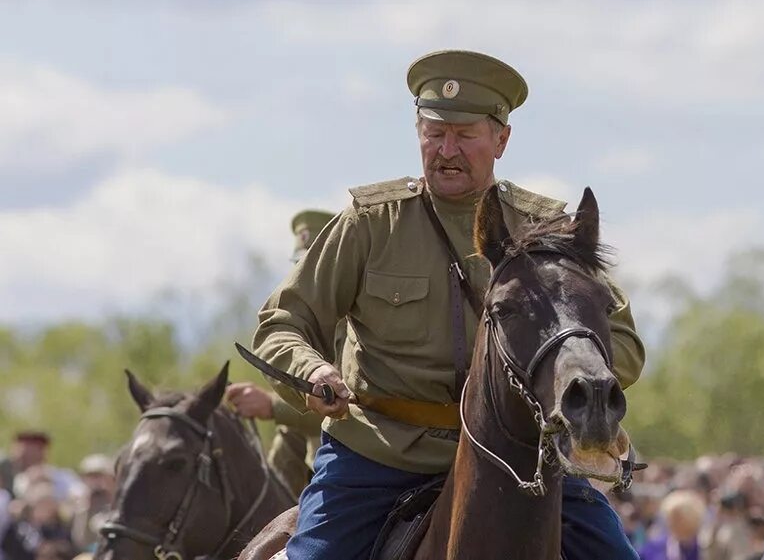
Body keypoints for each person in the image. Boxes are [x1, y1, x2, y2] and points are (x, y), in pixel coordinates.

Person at [252, 49, 646, 560]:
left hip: (521, 458)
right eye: (434, 133)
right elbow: (283, 321)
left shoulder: (544, 230)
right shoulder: (371, 223)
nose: (446, 150)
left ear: (501, 140)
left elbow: (623, 343)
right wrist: (312, 370)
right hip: (380, 454)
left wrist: (571, 371)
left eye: (464, 135)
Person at [227, 210, 340, 496]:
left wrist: (271, 406)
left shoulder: (359, 323)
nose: (304, 276)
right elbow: (292, 436)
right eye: (300, 266)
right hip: (316, 476)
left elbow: (354, 407)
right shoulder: (304, 329)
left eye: (313, 265)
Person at [640, 490, 707, 560]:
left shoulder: (703, 548)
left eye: (679, 519)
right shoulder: (655, 546)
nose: (672, 523)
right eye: (671, 518)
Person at [68, 455, 115, 552]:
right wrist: (85, 508)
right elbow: (80, 541)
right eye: (91, 477)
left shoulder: (118, 506)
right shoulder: (77, 506)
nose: (96, 482)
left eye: (99, 476)